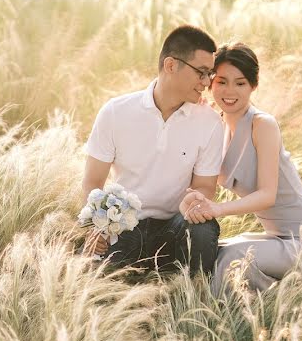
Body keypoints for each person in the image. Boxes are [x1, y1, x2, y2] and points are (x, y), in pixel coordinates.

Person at [179, 42, 302, 295]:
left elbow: (268, 195)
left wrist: (217, 210)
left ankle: (263, 309)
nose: (229, 91)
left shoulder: (262, 124)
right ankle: (275, 300)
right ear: (210, 83)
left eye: (240, 83)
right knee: (217, 249)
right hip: (278, 238)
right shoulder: (218, 126)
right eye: (221, 82)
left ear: (253, 86)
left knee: (233, 257)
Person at [81, 25, 224, 276]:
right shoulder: (116, 112)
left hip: (175, 226)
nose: (206, 83)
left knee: (203, 228)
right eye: (201, 72)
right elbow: (92, 182)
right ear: (171, 65)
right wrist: (94, 227)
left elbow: (205, 186)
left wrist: (194, 202)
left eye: (210, 74)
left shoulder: (210, 122)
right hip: (125, 228)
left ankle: (196, 297)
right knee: (101, 279)